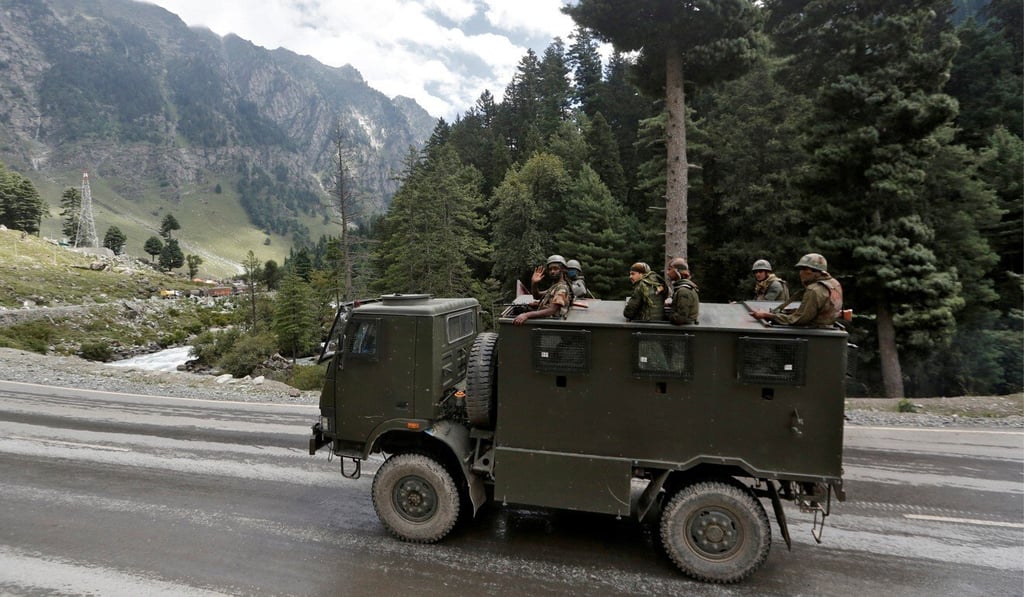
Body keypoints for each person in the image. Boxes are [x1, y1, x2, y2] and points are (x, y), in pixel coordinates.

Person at [751, 253, 842, 327]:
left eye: (804, 269)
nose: (801, 273)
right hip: (826, 327)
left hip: (812, 332)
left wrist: (768, 316)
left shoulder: (813, 290)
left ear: (816, 271)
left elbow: (798, 320)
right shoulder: (834, 283)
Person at [515, 255, 572, 325]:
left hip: (551, 324)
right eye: (550, 269)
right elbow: (537, 296)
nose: (552, 271)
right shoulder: (555, 286)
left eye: (555, 268)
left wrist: (527, 315)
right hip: (546, 321)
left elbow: (552, 310)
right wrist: (534, 283)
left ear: (563, 269)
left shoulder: (562, 288)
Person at [665, 258, 699, 325]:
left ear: (677, 271)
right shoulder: (683, 289)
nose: (667, 272)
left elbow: (680, 318)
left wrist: (666, 316)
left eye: (670, 269)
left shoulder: (684, 291)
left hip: (684, 330)